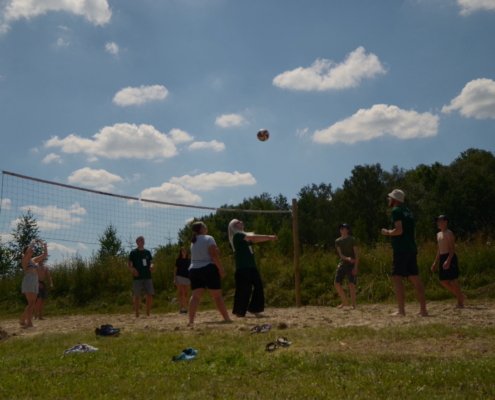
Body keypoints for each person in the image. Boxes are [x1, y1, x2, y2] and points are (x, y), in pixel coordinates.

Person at [381, 189, 428, 316]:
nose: (388, 199)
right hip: (411, 248)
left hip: (401, 249)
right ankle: (423, 310)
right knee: (415, 278)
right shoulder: (408, 211)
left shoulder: (396, 211)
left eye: (390, 198)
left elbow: (399, 230)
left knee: (397, 278)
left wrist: (387, 232)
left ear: (395, 200)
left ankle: (401, 310)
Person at [227, 219, 277, 318]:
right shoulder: (237, 235)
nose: (241, 222)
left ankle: (254, 308)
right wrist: (269, 237)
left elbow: (255, 239)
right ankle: (239, 311)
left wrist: (269, 238)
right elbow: (253, 238)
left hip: (251, 266)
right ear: (234, 226)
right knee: (244, 289)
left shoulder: (243, 236)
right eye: (239, 222)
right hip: (242, 267)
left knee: (258, 286)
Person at [188, 221, 231, 326]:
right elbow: (213, 256)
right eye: (205, 226)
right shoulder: (209, 238)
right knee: (217, 296)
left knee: (195, 296)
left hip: (194, 269)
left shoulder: (193, 242)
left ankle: (191, 321)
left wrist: (216, 251)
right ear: (202, 229)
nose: (207, 228)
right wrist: (221, 269)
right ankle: (227, 318)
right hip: (208, 268)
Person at [431, 215, 465, 308]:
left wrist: (448, 260)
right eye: (438, 221)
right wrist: (435, 262)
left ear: (445, 222)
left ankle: (460, 302)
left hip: (450, 256)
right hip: (442, 257)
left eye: (440, 221)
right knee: (443, 281)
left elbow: (452, 249)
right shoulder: (438, 234)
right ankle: (460, 296)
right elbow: (439, 249)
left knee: (453, 280)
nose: (438, 223)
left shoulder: (449, 233)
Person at [19, 240, 48, 328]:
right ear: (26, 252)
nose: (32, 250)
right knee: (31, 303)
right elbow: (28, 253)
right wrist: (32, 242)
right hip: (29, 281)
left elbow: (45, 255)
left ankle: (22, 319)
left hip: (35, 281)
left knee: (32, 303)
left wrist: (44, 246)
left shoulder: (33, 260)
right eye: (30, 249)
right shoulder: (25, 259)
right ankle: (29, 322)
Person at [128, 236, 154, 317]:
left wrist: (152, 266)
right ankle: (137, 313)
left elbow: (151, 262)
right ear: (137, 242)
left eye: (143, 240)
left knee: (150, 294)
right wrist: (133, 270)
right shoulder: (133, 252)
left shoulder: (147, 252)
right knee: (137, 295)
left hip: (147, 276)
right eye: (140, 240)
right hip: (137, 277)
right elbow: (129, 265)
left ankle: (148, 313)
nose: (142, 241)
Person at [334, 223, 359, 309]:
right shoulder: (337, 241)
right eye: (341, 228)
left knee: (351, 284)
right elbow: (341, 255)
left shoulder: (352, 239)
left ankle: (354, 304)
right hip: (343, 263)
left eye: (344, 228)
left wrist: (356, 267)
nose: (342, 230)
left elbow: (356, 254)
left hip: (352, 264)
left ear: (347, 230)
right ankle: (345, 302)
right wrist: (347, 258)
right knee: (336, 283)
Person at [174, 247, 191, 314]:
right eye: (182, 251)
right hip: (179, 277)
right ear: (180, 252)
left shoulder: (189, 260)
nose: (184, 252)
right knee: (181, 293)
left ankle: (186, 308)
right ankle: (181, 308)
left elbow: (191, 269)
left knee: (186, 293)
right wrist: (175, 279)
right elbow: (175, 270)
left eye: (185, 251)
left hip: (187, 278)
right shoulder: (178, 260)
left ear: (186, 252)